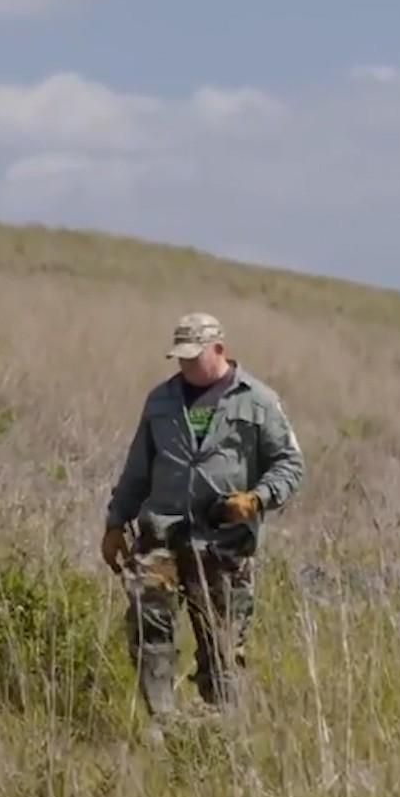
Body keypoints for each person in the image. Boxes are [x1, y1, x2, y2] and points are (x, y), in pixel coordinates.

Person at [101, 312, 306, 728]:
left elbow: (289, 464)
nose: (187, 366)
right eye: (181, 358)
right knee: (150, 626)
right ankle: (163, 722)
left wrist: (257, 499)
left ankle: (221, 731)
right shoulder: (161, 401)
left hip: (223, 543)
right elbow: (138, 470)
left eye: (195, 357)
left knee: (222, 642)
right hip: (160, 535)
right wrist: (115, 523)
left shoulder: (258, 401)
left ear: (219, 350)